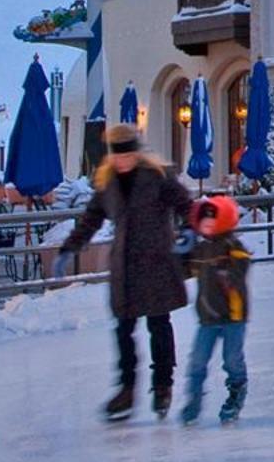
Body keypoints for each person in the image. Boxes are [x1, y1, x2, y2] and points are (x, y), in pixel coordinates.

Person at [56, 123, 192, 422]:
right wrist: (69, 248)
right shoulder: (108, 183)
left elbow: (186, 205)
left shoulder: (158, 177)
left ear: (137, 153)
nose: (122, 161)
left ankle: (162, 385)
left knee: (159, 323)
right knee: (123, 330)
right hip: (126, 266)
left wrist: (189, 231)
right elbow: (90, 219)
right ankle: (127, 389)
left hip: (157, 261)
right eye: (118, 157)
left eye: (127, 155)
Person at [180, 195, 251, 425]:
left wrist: (228, 270)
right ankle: (193, 401)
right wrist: (179, 253)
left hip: (233, 316)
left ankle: (236, 392)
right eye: (204, 221)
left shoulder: (233, 247)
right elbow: (184, 270)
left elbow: (243, 264)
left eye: (212, 220)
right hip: (208, 317)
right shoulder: (200, 250)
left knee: (231, 360)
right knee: (198, 361)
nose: (207, 226)